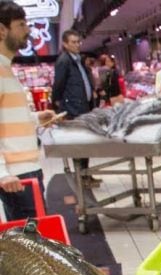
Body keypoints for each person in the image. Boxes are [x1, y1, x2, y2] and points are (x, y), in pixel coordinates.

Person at [0, 0, 56, 220]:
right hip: (16, 177)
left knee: (33, 239)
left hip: (25, 171)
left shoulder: (6, 69)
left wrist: (35, 118)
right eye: (21, 25)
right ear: (2, 30)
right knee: (31, 243)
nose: (28, 30)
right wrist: (3, 173)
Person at [52, 29, 100, 187]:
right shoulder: (64, 61)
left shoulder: (78, 60)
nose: (77, 44)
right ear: (65, 44)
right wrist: (59, 106)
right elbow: (58, 85)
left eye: (78, 41)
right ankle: (81, 177)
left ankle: (85, 175)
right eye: (73, 42)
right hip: (74, 109)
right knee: (79, 144)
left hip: (84, 107)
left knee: (85, 143)